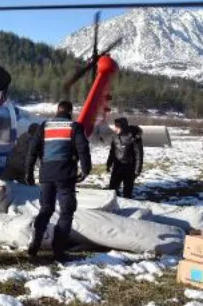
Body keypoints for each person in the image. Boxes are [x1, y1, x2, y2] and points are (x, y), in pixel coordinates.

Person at [24, 101, 91, 261]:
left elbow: (32, 150)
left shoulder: (44, 126)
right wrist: (86, 169)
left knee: (46, 209)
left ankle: (35, 243)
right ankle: (58, 250)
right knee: (66, 212)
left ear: (57, 111)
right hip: (65, 175)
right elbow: (83, 148)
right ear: (70, 112)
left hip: (46, 174)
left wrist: (29, 172)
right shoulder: (74, 127)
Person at [106, 117, 143, 198]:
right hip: (117, 166)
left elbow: (139, 154)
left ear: (123, 127)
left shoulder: (134, 137)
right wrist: (109, 164)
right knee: (112, 189)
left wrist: (137, 170)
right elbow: (112, 152)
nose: (115, 129)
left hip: (129, 168)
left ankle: (126, 206)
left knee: (127, 192)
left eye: (117, 127)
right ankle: (114, 206)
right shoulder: (115, 136)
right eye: (115, 126)